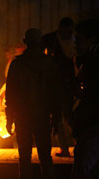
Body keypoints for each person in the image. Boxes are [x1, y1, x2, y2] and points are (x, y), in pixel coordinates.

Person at [6, 28, 61, 179]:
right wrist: (56, 118)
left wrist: (9, 118)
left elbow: (11, 95)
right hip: (42, 117)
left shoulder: (17, 65)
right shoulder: (50, 64)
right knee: (46, 157)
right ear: (40, 43)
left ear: (25, 42)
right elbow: (55, 94)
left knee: (25, 157)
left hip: (23, 117)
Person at [72, 18, 99, 179]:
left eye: (78, 39)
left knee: (82, 172)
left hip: (94, 122)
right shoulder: (89, 58)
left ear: (91, 39)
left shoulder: (96, 60)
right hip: (90, 122)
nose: (75, 43)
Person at [43, 17, 76, 157]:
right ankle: (64, 148)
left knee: (71, 117)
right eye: (65, 31)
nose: (68, 34)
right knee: (56, 118)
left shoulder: (76, 41)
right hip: (53, 85)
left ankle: (78, 145)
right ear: (60, 29)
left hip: (70, 85)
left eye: (70, 32)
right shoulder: (50, 40)